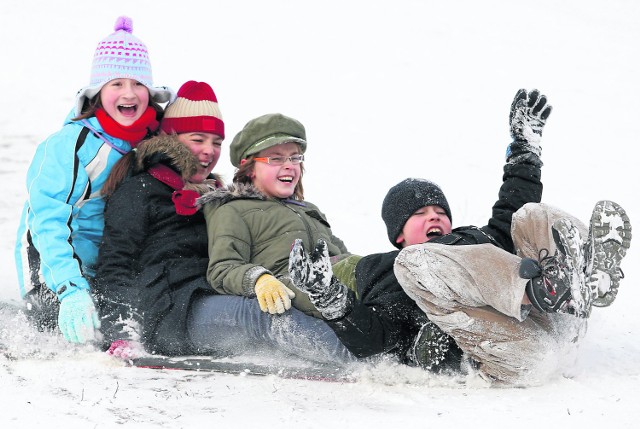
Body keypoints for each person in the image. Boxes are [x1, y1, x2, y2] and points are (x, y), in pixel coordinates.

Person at [288, 90, 632, 385]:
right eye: (419, 215)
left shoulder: (479, 241)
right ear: (398, 236)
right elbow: (372, 339)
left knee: (529, 215)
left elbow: (516, 199)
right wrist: (328, 295)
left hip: (560, 331)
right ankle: (544, 289)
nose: (433, 216)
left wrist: (525, 148)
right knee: (417, 262)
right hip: (519, 353)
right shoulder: (394, 270)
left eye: (439, 211)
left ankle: (587, 273)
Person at [96, 95, 353, 365]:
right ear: (170, 139)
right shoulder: (141, 190)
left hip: (217, 299)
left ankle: (370, 343)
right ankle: (361, 361)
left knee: (286, 303)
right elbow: (115, 262)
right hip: (170, 312)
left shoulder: (218, 194)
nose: (209, 150)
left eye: (216, 142)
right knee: (262, 316)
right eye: (198, 139)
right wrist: (120, 330)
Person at [14, 16, 174, 344]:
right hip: (57, 259)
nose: (129, 93)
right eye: (116, 83)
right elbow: (46, 222)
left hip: (117, 261)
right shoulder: (68, 146)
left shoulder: (157, 138)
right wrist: (71, 291)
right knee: (80, 333)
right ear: (98, 92)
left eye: (137, 84)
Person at [200, 113, 353, 319]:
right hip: (297, 288)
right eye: (276, 158)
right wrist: (259, 279)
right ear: (250, 167)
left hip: (338, 279)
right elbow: (222, 268)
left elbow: (345, 256)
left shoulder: (309, 210)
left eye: (295, 157)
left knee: (377, 269)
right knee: (372, 273)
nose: (289, 165)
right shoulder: (233, 211)